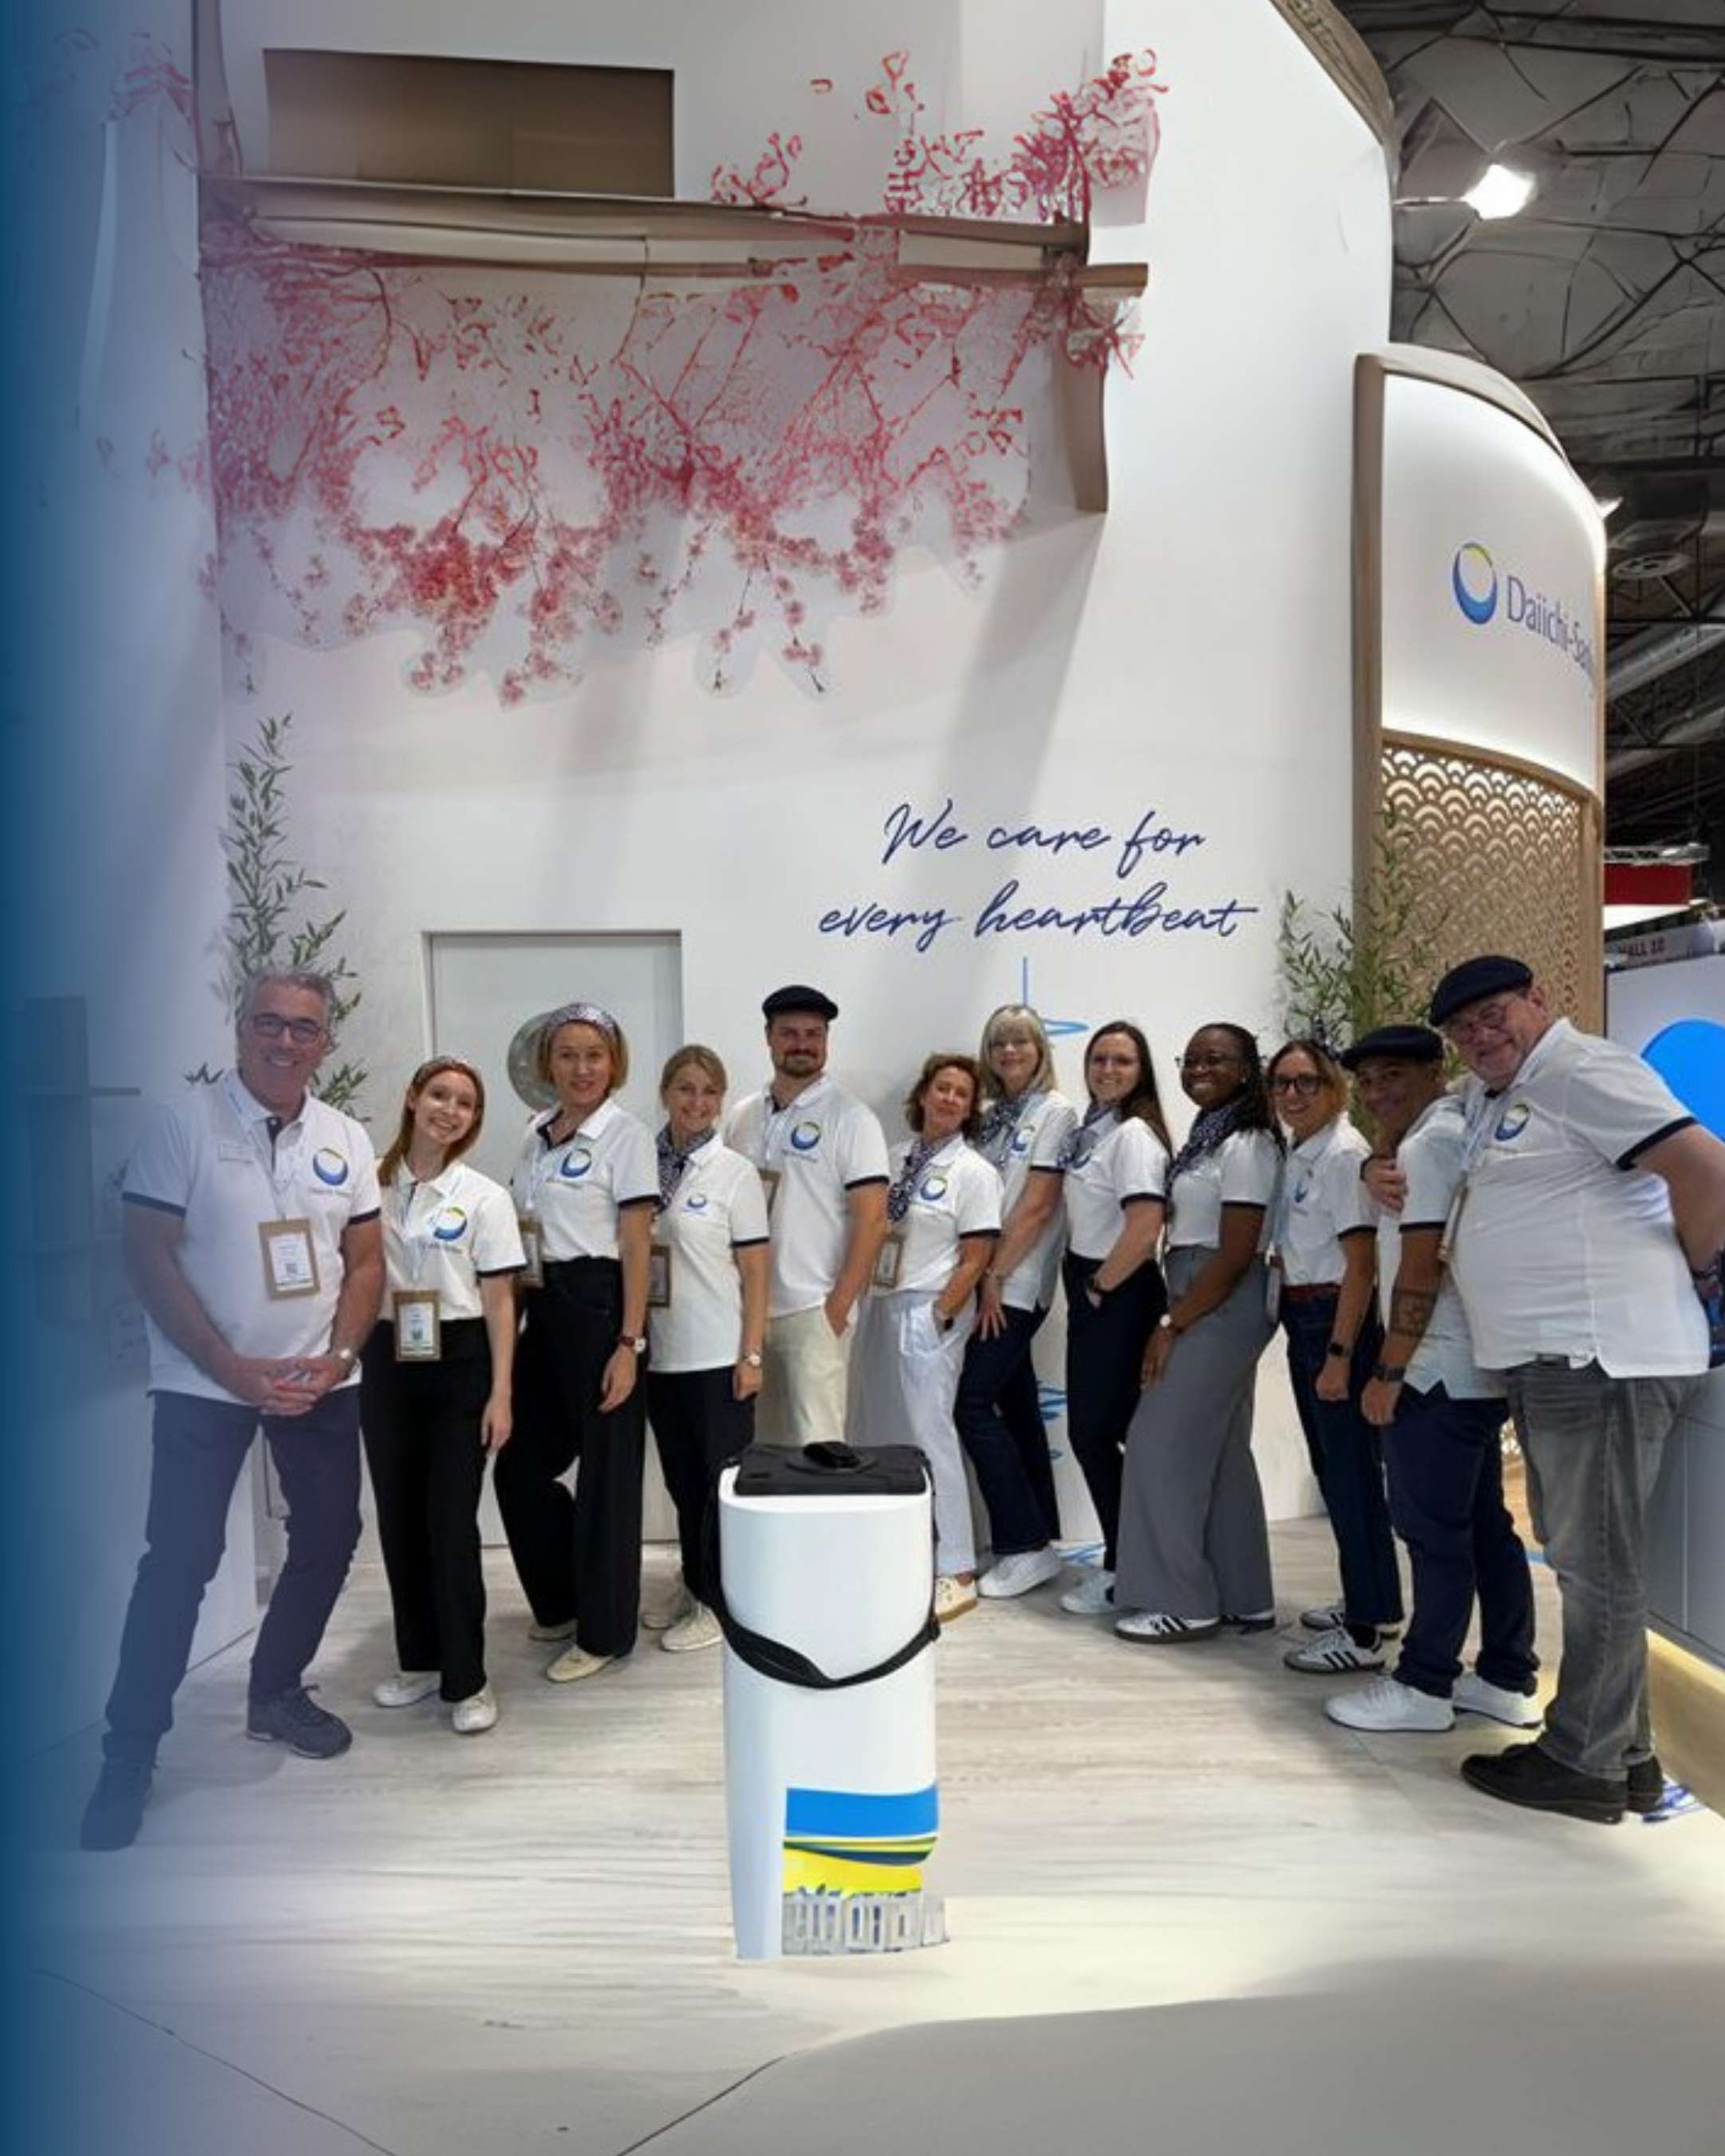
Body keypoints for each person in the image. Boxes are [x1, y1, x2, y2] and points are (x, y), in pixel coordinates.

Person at [1414, 955, 1724, 1823]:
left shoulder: (1582, 1068)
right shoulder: (1506, 1091)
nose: (1479, 1035)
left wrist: (1699, 1270)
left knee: (1597, 1565)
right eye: (1463, 1028)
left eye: (1493, 1013)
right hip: (1560, 1358)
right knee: (1589, 1557)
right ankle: (1626, 1754)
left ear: (1538, 1000)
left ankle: (1580, 1758)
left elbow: (1705, 1169)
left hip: (1601, 1355)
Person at [81, 969, 384, 1851]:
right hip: (203, 1380)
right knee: (180, 1560)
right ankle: (129, 1752)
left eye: (304, 1027)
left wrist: (338, 1356)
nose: (286, 1041)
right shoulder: (184, 1126)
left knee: (329, 1536)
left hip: (319, 1378)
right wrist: (230, 1366)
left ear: (327, 1040)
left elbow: (365, 1261)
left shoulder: (344, 1136)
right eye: (269, 1023)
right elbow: (146, 1253)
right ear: (241, 1028)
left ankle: (275, 1689)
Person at [1324, 1024, 1537, 1735]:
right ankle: (1505, 1675)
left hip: (1434, 1371)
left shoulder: (1429, 1143)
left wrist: (1388, 1371)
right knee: (1482, 1526)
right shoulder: (1448, 1130)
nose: (1377, 1092)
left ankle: (1424, 1683)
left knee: (1432, 1531)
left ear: (1432, 1070)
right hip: (1466, 1367)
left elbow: (1422, 1268)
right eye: (1367, 1082)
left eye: (1393, 1075)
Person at [362, 1057, 524, 1735]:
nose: (450, 1110)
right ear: (412, 1097)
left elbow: (501, 1300)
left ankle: (468, 1677)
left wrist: (501, 1392)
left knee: (451, 1523)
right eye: (439, 1095)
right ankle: (420, 1660)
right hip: (386, 1357)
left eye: (465, 1103)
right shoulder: (370, 1184)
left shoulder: (483, 1197)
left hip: (459, 1361)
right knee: (398, 1517)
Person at [499, 1002, 656, 1684]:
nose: (581, 1068)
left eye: (594, 1054)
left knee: (605, 1481)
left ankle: (605, 1632)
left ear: (613, 1063)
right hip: (543, 1306)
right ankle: (564, 1599)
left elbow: (636, 1242)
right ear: (548, 1064)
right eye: (567, 1054)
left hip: (600, 1308)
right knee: (519, 1469)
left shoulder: (626, 1135)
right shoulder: (535, 1134)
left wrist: (628, 1341)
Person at [1112, 1023, 1282, 1643]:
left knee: (1157, 1441)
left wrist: (1171, 1323)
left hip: (1218, 1296)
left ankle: (1180, 1600)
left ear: (1246, 1069)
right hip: (1200, 1288)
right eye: (1192, 1059)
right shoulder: (1211, 1136)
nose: (1199, 1070)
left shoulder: (1249, 1143)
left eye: (1216, 1059)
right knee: (1222, 1453)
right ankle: (1244, 1596)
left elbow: (1236, 1252)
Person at [846, 1055, 1002, 1621]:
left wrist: (941, 1312)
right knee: (876, 1427)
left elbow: (977, 1256)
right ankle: (890, 1545)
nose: (950, 1099)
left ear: (971, 1107)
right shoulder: (894, 1158)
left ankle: (956, 1567)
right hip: (880, 1304)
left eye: (962, 1093)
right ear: (924, 1094)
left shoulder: (974, 1172)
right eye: (943, 1088)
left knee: (930, 1433)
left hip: (928, 1308)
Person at [1266, 1037, 1402, 1675]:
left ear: (1334, 1088)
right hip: (1306, 1315)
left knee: (1350, 1475)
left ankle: (1366, 1632)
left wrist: (1341, 1355)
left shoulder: (1344, 1154)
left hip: (1334, 1321)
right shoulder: (1305, 1151)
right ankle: (1370, 1599)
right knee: (1336, 1470)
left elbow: (1361, 1265)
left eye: (1307, 1082)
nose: (1293, 1094)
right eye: (1282, 1083)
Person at [643, 1045, 770, 1654]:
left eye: (709, 1092)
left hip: (718, 1355)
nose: (697, 1102)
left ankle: (722, 1603)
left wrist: (752, 1355)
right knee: (682, 1483)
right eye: (686, 1088)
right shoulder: (642, 1164)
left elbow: (757, 1271)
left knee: (720, 1487)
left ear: (721, 1100)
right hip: (659, 1355)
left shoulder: (734, 1173)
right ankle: (696, 1582)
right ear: (666, 1092)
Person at [723, 986, 889, 1447]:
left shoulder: (851, 1118)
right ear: (768, 1038)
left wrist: (837, 1306)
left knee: (817, 1453)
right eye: (789, 1033)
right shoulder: (742, 1116)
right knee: (759, 1450)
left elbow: (873, 1220)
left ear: (826, 1040)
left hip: (812, 1311)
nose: (802, 1044)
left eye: (813, 1034)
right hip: (747, 1314)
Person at [957, 1006, 1078, 1599]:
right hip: (987, 1277)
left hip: (1015, 1282)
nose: (1009, 1051)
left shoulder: (1055, 1112)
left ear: (1040, 1050)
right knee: (1017, 1403)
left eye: (1021, 1042)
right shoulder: (987, 1117)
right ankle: (1040, 1538)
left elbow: (1038, 1204)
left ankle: (1022, 1543)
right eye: (999, 1042)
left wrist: (995, 1274)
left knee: (972, 1406)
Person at [1054, 1023, 1173, 1616]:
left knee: (1095, 1434)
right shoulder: (1095, 1128)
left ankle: (1128, 1569)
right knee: (1103, 1432)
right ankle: (1134, 1562)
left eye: (1122, 1060)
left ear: (1141, 1070)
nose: (1108, 1069)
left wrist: (1100, 1287)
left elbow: (1145, 1226)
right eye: (1099, 1058)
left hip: (1118, 1290)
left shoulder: (1133, 1136)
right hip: (1095, 1284)